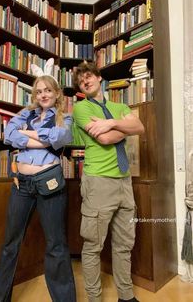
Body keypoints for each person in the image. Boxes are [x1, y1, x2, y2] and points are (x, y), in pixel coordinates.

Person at [0, 75, 76, 302]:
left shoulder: (65, 117)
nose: (43, 94)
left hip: (49, 184)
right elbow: (7, 135)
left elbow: (60, 137)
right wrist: (42, 139)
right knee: (10, 244)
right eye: (39, 91)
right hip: (21, 184)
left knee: (56, 245)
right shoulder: (26, 114)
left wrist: (25, 134)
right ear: (35, 95)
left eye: (48, 90)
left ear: (56, 94)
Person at [72, 62, 144, 302]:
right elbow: (104, 139)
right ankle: (95, 299)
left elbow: (140, 126)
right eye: (81, 80)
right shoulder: (81, 108)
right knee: (93, 246)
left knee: (125, 243)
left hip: (125, 182)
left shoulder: (119, 105)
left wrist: (111, 122)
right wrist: (124, 127)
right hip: (98, 182)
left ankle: (126, 296)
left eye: (89, 75)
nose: (85, 80)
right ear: (81, 88)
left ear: (99, 77)